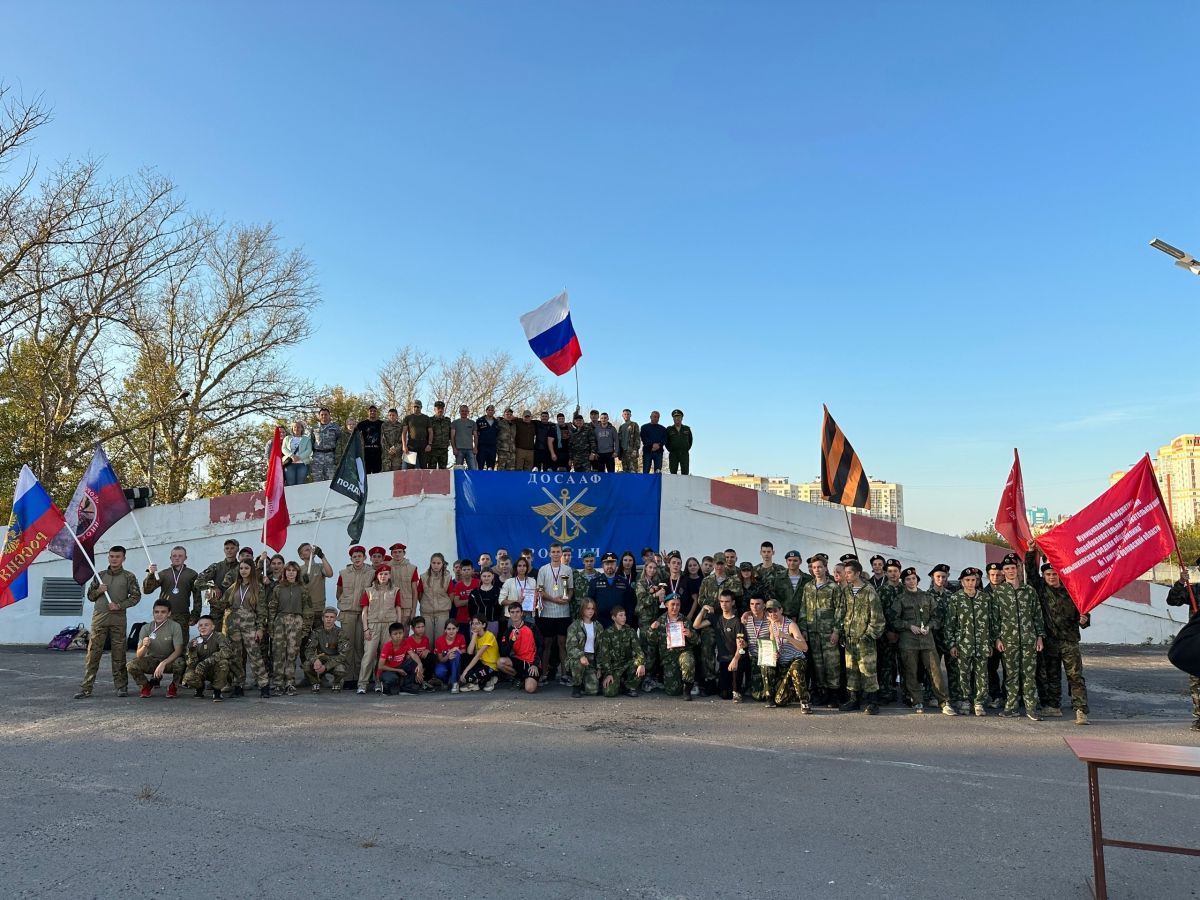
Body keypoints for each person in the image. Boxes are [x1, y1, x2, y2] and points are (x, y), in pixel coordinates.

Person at [1026, 549, 1091, 724]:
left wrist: (1084, 620)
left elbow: (1084, 615)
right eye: (1048, 574)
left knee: (1075, 676)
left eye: (1054, 574)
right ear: (1044, 575)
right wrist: (1031, 551)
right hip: (1050, 641)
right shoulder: (1040, 589)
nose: (1051, 577)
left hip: (1069, 641)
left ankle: (1081, 710)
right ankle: (1053, 706)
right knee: (1052, 675)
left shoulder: (1073, 591)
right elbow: (1030, 572)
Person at [75, 545, 141, 699]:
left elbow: (136, 597)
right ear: (108, 557)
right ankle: (86, 688)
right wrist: (99, 590)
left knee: (119, 654)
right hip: (99, 619)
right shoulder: (100, 576)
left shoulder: (128, 576)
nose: (114, 559)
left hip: (118, 620)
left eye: (118, 556)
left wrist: (120, 606)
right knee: (93, 654)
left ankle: (121, 687)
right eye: (112, 556)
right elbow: (90, 596)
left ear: (123, 558)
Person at [991, 553, 1045, 721]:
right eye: (1007, 569)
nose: (1010, 571)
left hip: (1029, 639)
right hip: (1008, 641)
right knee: (1011, 675)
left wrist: (1040, 637)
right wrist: (997, 638)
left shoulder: (1029, 591)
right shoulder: (999, 592)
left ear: (1018, 569)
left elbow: (1037, 615)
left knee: (1029, 674)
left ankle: (1031, 707)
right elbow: (995, 618)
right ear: (1004, 572)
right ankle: (1011, 706)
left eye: (1013, 568)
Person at [895, 567, 954, 715]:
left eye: (913, 578)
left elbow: (936, 617)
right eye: (908, 579)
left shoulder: (927, 597)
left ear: (917, 580)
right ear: (904, 582)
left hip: (927, 640)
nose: (911, 581)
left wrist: (929, 626)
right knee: (911, 671)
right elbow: (893, 620)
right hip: (908, 640)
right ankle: (917, 701)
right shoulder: (900, 599)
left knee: (935, 671)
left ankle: (944, 701)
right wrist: (908, 626)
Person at [836, 559, 886, 714]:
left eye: (849, 572)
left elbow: (877, 617)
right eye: (846, 573)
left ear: (858, 573)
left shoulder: (869, 591)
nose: (847, 575)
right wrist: (840, 631)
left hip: (865, 639)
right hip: (850, 638)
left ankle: (872, 702)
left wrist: (869, 635)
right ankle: (853, 700)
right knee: (852, 670)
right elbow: (841, 612)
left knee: (868, 670)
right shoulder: (847, 591)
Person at [945, 567, 992, 716]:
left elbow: (992, 622)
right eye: (968, 580)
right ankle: (965, 701)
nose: (971, 583)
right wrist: (952, 644)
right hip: (963, 643)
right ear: (962, 582)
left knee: (981, 674)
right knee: (963, 674)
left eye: (973, 580)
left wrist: (990, 642)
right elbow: (950, 623)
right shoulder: (956, 598)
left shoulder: (985, 599)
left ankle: (978, 702)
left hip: (982, 643)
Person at [221, 559, 270, 698]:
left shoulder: (258, 587)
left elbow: (262, 610)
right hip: (234, 626)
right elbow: (223, 604)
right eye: (241, 568)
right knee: (236, 658)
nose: (243, 570)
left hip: (250, 626)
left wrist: (260, 628)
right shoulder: (234, 586)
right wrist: (211, 599)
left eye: (246, 568)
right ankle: (238, 686)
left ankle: (264, 686)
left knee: (255, 656)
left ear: (252, 570)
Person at [801, 554, 842, 707]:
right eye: (814, 567)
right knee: (817, 665)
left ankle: (834, 695)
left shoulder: (833, 588)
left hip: (828, 633)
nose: (817, 570)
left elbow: (840, 610)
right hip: (813, 632)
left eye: (819, 567)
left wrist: (837, 631)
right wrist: (804, 628)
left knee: (832, 664)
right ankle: (821, 692)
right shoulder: (808, 587)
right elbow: (803, 608)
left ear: (825, 568)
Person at [269, 561, 314, 695]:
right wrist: (271, 627)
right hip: (280, 622)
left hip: (296, 622)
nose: (291, 573)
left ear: (297, 573)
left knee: (292, 653)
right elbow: (272, 608)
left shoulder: (302, 588)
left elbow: (308, 609)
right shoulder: (278, 588)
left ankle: (289, 683)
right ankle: (278, 683)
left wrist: (305, 628)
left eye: (294, 570)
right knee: (278, 654)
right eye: (288, 570)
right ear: (284, 572)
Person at [143, 545, 202, 645]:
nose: (177, 558)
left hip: (183, 615)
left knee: (181, 644)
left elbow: (197, 597)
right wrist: (151, 574)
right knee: (164, 643)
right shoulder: (163, 574)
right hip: (164, 615)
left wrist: (195, 615)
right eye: (174, 556)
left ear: (185, 558)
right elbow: (147, 590)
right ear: (170, 558)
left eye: (180, 555)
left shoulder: (192, 574)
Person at [127, 600, 186, 698]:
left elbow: (178, 650)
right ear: (153, 612)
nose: (159, 615)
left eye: (163, 612)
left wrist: (163, 663)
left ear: (169, 613)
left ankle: (173, 686)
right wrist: (145, 646)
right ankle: (146, 685)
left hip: (169, 661)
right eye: (156, 612)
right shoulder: (146, 628)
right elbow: (139, 655)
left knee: (180, 662)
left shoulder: (175, 626)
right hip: (153, 660)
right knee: (131, 665)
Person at [357, 564, 401, 693]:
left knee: (384, 655)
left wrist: (397, 628)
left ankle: (378, 681)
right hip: (373, 625)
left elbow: (398, 609)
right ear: (377, 576)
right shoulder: (369, 590)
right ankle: (362, 683)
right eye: (381, 574)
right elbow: (364, 611)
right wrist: (366, 629)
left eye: (386, 574)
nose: (383, 576)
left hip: (389, 626)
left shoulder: (395, 590)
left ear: (390, 575)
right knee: (369, 654)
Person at [1166, 566, 1200, 732]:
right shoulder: (1194, 590)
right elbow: (1172, 600)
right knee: (1196, 681)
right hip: (1196, 641)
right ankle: (1199, 717)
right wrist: (1180, 582)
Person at [760, 599, 810, 711]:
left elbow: (804, 648)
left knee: (795, 668)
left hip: (796, 660)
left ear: (781, 610)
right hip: (783, 665)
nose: (773, 614)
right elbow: (774, 644)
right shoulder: (772, 625)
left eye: (775, 611)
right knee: (780, 700)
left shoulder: (791, 625)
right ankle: (770, 697)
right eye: (770, 612)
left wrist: (787, 636)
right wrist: (775, 654)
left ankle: (804, 701)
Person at [335, 546, 374, 688]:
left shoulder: (371, 573)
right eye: (354, 556)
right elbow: (339, 591)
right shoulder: (344, 573)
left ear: (364, 557)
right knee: (347, 646)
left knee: (361, 646)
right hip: (348, 613)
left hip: (363, 614)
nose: (357, 558)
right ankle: (347, 678)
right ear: (351, 559)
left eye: (359, 556)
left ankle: (359, 677)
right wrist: (346, 603)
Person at [535, 542, 573, 685]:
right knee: (547, 643)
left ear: (561, 554)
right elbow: (540, 590)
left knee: (562, 643)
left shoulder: (567, 570)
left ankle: (564, 675)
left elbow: (570, 589)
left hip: (563, 612)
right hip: (547, 613)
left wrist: (568, 597)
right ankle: (544, 674)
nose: (556, 554)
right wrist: (554, 599)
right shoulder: (543, 570)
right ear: (549, 553)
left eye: (558, 552)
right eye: (553, 552)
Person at [648, 595, 698, 698]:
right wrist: (652, 630)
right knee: (672, 692)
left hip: (683, 652)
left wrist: (690, 635)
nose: (675, 607)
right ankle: (682, 681)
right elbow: (652, 642)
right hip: (668, 657)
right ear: (666, 605)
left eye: (678, 605)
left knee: (688, 661)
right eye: (672, 604)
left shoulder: (684, 620)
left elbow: (697, 641)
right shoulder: (660, 621)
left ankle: (687, 688)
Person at [926, 563, 959, 710]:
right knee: (933, 668)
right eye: (938, 576)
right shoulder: (926, 596)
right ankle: (932, 695)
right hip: (932, 637)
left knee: (953, 668)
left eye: (944, 577)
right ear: (933, 578)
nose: (941, 579)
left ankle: (955, 696)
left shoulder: (951, 596)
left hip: (948, 638)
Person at [597, 605, 645, 697]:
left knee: (638, 664)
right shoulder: (607, 634)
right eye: (620, 615)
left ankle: (630, 687)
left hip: (627, 666)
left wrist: (641, 663)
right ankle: (619, 684)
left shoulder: (630, 631)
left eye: (625, 615)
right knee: (609, 693)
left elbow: (638, 650)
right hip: (614, 668)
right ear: (613, 618)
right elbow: (604, 656)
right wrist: (609, 673)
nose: (624, 618)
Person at [182, 615, 232, 702]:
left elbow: (226, 652)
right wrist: (191, 651)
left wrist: (205, 662)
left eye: (206, 625)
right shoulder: (195, 641)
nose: (203, 627)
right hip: (202, 671)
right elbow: (191, 664)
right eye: (200, 625)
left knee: (223, 663)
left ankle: (217, 691)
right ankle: (199, 688)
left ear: (212, 627)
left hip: (215, 669)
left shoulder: (219, 636)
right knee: (188, 676)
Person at [875, 558, 904, 705]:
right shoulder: (881, 591)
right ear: (886, 573)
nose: (893, 574)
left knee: (905, 664)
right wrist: (887, 631)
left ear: (900, 573)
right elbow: (878, 614)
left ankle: (907, 693)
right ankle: (886, 691)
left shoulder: (906, 590)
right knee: (886, 664)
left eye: (896, 571)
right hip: (886, 635)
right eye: (890, 571)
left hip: (904, 634)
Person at [497, 602, 542, 693]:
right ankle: (520, 678)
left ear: (522, 613)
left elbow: (541, 645)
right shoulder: (508, 631)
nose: (515, 615)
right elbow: (504, 653)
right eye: (512, 612)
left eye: (517, 612)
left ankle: (527, 678)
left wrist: (535, 664)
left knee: (530, 689)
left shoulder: (532, 627)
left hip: (532, 662)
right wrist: (512, 640)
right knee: (500, 662)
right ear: (509, 614)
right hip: (519, 662)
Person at [196, 538, 240, 630]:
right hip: (217, 610)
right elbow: (198, 582)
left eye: (232, 548)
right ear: (224, 550)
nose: (229, 550)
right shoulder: (216, 567)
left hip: (236, 609)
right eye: (227, 548)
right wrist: (212, 586)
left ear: (237, 549)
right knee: (216, 638)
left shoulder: (242, 568)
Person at [303, 608, 350, 692]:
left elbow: (343, 655)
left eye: (332, 617)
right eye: (326, 617)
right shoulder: (316, 632)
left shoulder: (341, 633)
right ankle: (315, 682)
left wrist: (326, 667)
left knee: (341, 669)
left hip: (334, 660)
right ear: (322, 618)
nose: (329, 619)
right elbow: (309, 650)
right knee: (306, 665)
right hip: (321, 659)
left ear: (335, 619)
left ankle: (336, 682)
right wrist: (315, 660)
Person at [982, 561, 1008, 709]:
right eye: (992, 575)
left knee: (1009, 669)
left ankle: (1008, 696)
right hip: (990, 638)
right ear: (988, 576)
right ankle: (995, 695)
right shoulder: (983, 594)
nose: (996, 577)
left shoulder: (1009, 592)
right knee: (991, 669)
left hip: (1007, 637)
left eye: (998, 574)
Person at [566, 598, 603, 697]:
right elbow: (570, 647)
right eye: (588, 608)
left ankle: (585, 682)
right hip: (578, 659)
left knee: (594, 691)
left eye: (592, 608)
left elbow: (600, 649)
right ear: (582, 610)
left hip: (592, 660)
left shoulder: (598, 626)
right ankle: (576, 686)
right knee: (579, 663)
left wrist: (599, 668)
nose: (591, 611)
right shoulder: (574, 626)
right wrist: (581, 656)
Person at [588, 551, 636, 628]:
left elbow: (629, 605)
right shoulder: (594, 582)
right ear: (602, 566)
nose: (610, 566)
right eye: (607, 564)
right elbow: (590, 603)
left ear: (616, 565)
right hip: (600, 623)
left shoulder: (624, 582)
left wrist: (628, 622)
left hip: (619, 623)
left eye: (612, 564)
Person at [460, 616, 501, 691]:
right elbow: (469, 652)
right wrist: (474, 636)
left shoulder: (489, 636)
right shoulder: (476, 636)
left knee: (467, 676)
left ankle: (489, 679)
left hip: (491, 667)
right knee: (464, 656)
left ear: (484, 625)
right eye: (473, 623)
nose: (474, 626)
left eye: (477, 623)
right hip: (481, 664)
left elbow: (478, 656)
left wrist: (465, 671)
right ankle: (478, 683)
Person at [298, 543, 334, 631]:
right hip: (305, 609)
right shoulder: (299, 570)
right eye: (307, 550)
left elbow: (330, 574)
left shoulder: (320, 566)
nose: (310, 550)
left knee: (318, 636)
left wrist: (322, 556)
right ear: (301, 556)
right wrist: (302, 582)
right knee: (305, 637)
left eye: (311, 548)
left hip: (319, 609)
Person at [420, 553, 453, 641]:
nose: (436, 565)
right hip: (427, 612)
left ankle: (439, 655)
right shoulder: (423, 577)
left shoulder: (447, 577)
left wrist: (444, 604)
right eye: (433, 563)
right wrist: (425, 603)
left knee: (440, 638)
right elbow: (420, 594)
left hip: (442, 613)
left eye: (438, 563)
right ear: (430, 563)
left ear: (442, 564)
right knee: (427, 639)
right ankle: (429, 655)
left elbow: (451, 595)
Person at [376, 623, 413, 694]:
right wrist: (397, 670)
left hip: (398, 668)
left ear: (403, 633)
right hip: (386, 671)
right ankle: (384, 685)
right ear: (390, 636)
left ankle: (406, 688)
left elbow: (413, 655)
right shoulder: (387, 646)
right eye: (395, 634)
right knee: (393, 678)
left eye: (400, 633)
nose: (398, 636)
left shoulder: (405, 642)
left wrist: (420, 665)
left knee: (413, 662)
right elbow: (380, 666)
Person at [433, 620, 468, 692]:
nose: (451, 631)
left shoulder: (461, 637)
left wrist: (455, 651)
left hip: (456, 663)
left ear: (457, 629)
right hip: (445, 663)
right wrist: (448, 654)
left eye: (453, 628)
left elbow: (464, 653)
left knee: (456, 654)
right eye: (449, 629)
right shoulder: (439, 640)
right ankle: (446, 681)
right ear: (445, 630)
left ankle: (455, 683)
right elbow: (440, 660)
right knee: (439, 672)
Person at [310, 407, 342, 481]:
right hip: (317, 457)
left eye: (326, 414)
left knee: (331, 480)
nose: (324, 416)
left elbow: (339, 441)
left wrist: (338, 456)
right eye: (322, 415)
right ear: (319, 416)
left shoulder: (335, 427)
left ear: (329, 416)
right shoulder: (314, 427)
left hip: (330, 456)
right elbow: (312, 441)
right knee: (317, 480)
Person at [401, 400, 432, 470]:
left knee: (423, 467)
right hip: (411, 445)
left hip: (423, 445)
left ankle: (423, 481)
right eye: (414, 406)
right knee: (411, 467)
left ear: (421, 407)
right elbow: (404, 432)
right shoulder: (408, 418)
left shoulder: (426, 418)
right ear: (412, 407)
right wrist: (404, 445)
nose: (416, 408)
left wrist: (429, 444)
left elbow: (430, 432)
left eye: (418, 407)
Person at [282, 419, 314, 485]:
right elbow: (284, 448)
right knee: (290, 483)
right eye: (295, 427)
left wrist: (299, 457)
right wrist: (292, 456)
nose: (297, 428)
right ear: (292, 428)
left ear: (302, 428)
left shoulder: (307, 439)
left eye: (299, 427)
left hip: (302, 464)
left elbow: (309, 450)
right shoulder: (287, 438)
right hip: (290, 464)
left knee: (300, 483)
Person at [354, 405, 384, 474]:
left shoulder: (382, 424)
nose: (372, 412)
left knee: (377, 475)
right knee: (366, 475)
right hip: (366, 454)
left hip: (378, 454)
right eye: (371, 411)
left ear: (377, 412)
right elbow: (354, 434)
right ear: (368, 412)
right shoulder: (361, 424)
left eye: (374, 411)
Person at [665, 409, 693, 474]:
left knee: (685, 472)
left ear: (682, 418)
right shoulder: (669, 429)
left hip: (684, 453)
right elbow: (666, 441)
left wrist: (685, 448)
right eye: (675, 417)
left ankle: (684, 484)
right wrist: (671, 449)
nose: (677, 418)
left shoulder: (687, 428)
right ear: (673, 419)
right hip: (673, 453)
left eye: (679, 417)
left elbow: (690, 440)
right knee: (673, 472)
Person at [451, 404, 479, 469]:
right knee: (458, 470)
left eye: (466, 411)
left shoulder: (472, 423)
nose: (464, 412)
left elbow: (475, 436)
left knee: (473, 469)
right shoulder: (455, 423)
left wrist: (475, 448)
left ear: (468, 412)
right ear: (459, 412)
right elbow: (452, 436)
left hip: (470, 450)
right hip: (459, 450)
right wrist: (454, 448)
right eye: (462, 411)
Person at [381, 407, 405, 472]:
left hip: (397, 455)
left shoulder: (401, 426)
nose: (391, 417)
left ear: (397, 416)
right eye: (390, 415)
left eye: (393, 415)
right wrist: (389, 449)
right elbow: (382, 439)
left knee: (396, 474)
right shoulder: (384, 425)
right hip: (387, 454)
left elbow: (402, 439)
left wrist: (395, 449)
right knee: (386, 475)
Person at [618, 408, 641, 474]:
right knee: (625, 471)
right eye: (625, 414)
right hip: (623, 452)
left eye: (628, 414)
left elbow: (637, 438)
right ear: (622, 415)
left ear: (630, 415)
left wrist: (635, 450)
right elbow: (619, 440)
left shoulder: (634, 424)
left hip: (631, 452)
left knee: (633, 471)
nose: (626, 415)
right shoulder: (621, 427)